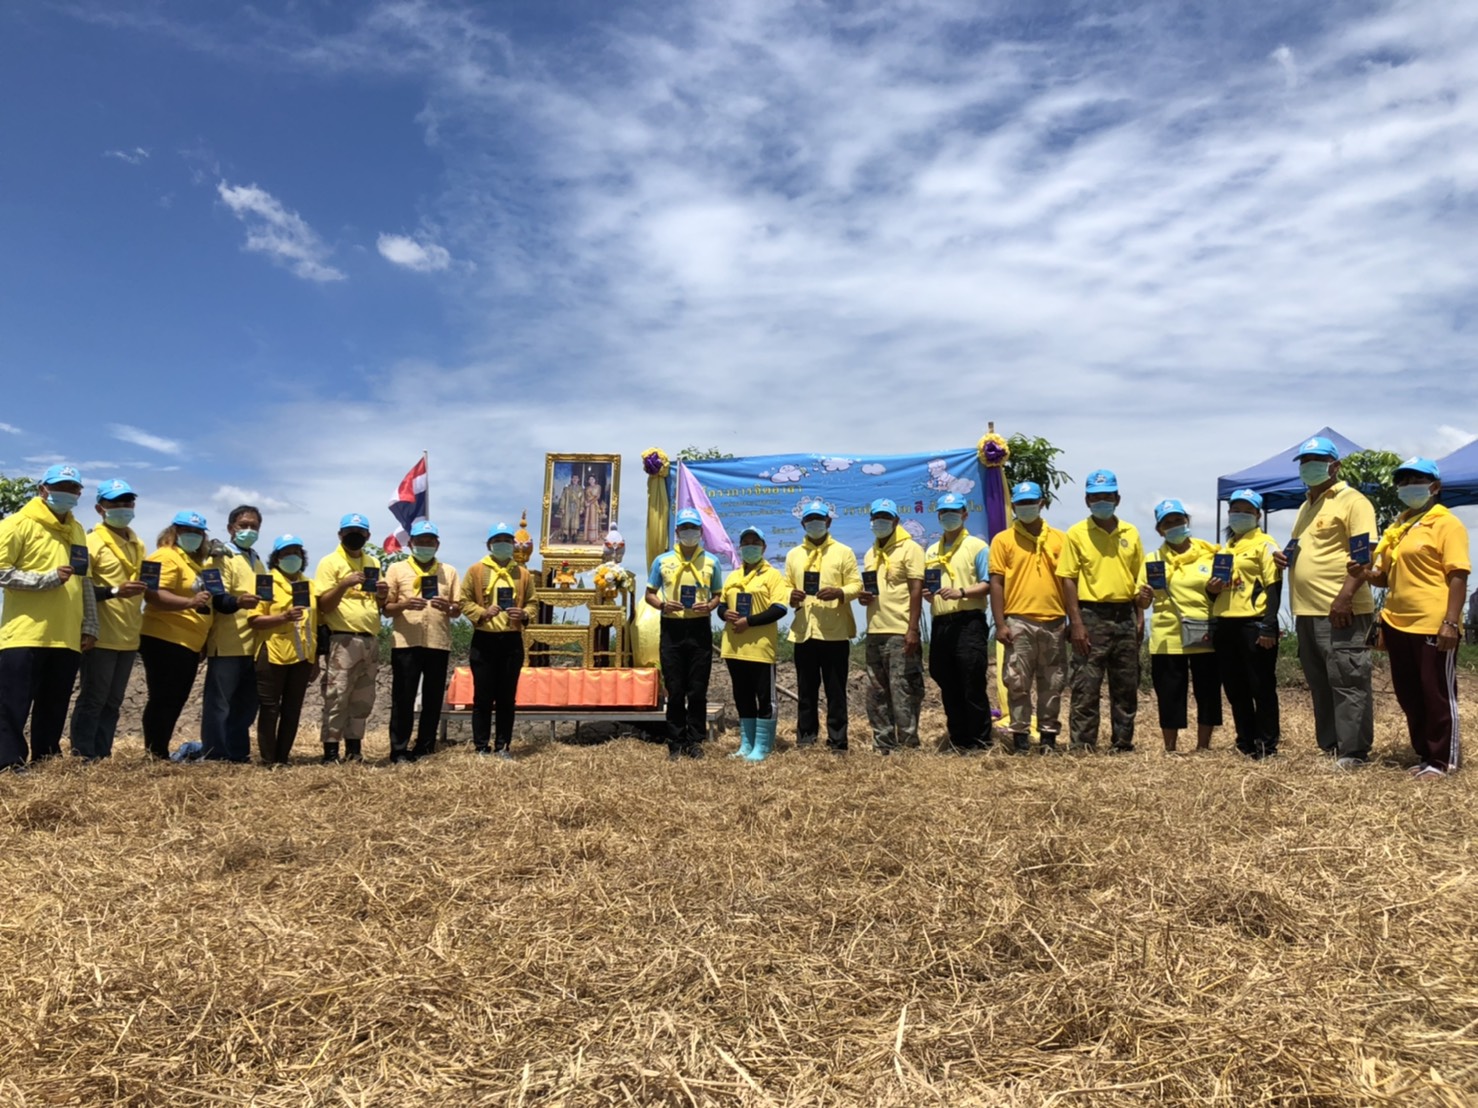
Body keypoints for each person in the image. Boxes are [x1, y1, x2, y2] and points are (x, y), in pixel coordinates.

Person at [1352, 458, 1470, 778]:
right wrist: (1364, 573)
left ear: (1435, 486)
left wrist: (1450, 621)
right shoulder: (1399, 526)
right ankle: (1425, 754)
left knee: (1436, 692)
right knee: (1409, 693)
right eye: (1403, 482)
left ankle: (1443, 760)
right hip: (1397, 621)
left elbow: (1458, 575)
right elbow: (1383, 577)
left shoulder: (1446, 524)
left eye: (1416, 480)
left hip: (1433, 620)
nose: (1408, 487)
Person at [1281, 436, 1377, 768]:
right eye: (1305, 461)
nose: (1309, 467)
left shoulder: (1353, 501)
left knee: (1348, 679)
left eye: (1317, 461)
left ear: (1335, 466)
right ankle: (1332, 746)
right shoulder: (1306, 506)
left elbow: (1365, 553)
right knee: (1321, 683)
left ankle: (1354, 751)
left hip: (1339, 608)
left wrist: (1345, 597)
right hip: (1306, 611)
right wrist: (1286, 558)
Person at [0, 464, 99, 771]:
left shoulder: (78, 529)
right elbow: (2, 571)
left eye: (73, 488)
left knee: (54, 704)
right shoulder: (17, 524)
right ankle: (8, 763)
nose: (67, 493)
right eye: (60, 487)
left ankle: (46, 762)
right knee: (13, 704)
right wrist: (46, 579)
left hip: (66, 634)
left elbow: (84, 580)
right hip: (25, 633)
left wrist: (90, 623)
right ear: (42, 490)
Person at [1056, 469, 1151, 753]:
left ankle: (1122, 743)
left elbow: (1139, 579)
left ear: (1117, 499)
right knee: (1086, 684)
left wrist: (1140, 617)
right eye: (1096, 497)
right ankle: (1083, 745)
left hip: (1125, 614)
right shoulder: (1076, 533)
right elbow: (1068, 579)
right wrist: (1076, 623)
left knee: (1126, 685)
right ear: (1087, 500)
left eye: (1107, 496)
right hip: (1090, 615)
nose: (1102, 502)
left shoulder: (1131, 532)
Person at [137, 511, 225, 760]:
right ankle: (155, 752)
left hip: (188, 642)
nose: (193, 536)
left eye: (198, 532)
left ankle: (160, 750)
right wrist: (189, 602)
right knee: (163, 697)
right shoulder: (164, 556)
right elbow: (153, 594)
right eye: (188, 531)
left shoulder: (194, 563)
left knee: (175, 698)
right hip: (165, 638)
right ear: (174, 531)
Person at [989, 481, 1068, 754]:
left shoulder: (1060, 539)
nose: (1026, 508)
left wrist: (1072, 620)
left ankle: (1048, 738)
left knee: (1053, 683)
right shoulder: (1003, 540)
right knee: (1017, 682)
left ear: (1041, 503)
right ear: (1014, 506)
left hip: (1055, 621)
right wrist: (1000, 623)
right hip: (1018, 620)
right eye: (1021, 504)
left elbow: (1069, 581)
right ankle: (1020, 737)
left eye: (1030, 502)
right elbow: (996, 582)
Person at [70, 478, 146, 761]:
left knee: (113, 702)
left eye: (127, 502)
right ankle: (83, 755)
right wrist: (115, 591)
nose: (123, 507)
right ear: (100, 508)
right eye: (115, 503)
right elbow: (80, 587)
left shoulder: (138, 543)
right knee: (93, 699)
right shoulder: (91, 541)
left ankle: (102, 756)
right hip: (101, 634)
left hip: (129, 634)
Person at [1210, 489, 1283, 760]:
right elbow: (1216, 592)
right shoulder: (1225, 548)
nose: (1239, 515)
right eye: (1235, 510)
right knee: (1235, 688)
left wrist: (1269, 625)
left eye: (1246, 511)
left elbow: (1274, 586)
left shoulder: (1265, 544)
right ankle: (1245, 742)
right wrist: (1211, 589)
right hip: (1225, 623)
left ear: (1257, 515)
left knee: (1261, 687)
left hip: (1254, 623)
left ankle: (1267, 746)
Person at [784, 500, 862, 753]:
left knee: (835, 691)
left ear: (828, 521)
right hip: (804, 631)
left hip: (835, 632)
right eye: (810, 519)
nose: (814, 523)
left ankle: (838, 742)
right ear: (802, 523)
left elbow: (856, 585)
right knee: (806, 690)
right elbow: (785, 586)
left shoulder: (844, 552)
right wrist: (790, 595)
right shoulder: (794, 555)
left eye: (819, 519)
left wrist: (839, 592)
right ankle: (806, 739)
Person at [645, 507, 722, 760]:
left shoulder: (712, 562)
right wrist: (663, 605)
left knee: (697, 689)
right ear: (677, 531)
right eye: (685, 528)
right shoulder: (662, 560)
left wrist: (710, 606)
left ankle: (695, 741)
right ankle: (675, 742)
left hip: (699, 629)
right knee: (675, 689)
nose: (690, 532)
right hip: (672, 629)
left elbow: (717, 595)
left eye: (694, 528)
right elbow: (649, 594)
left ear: (701, 531)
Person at [1145, 499, 1221, 754]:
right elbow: (1141, 600)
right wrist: (1143, 597)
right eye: (1168, 523)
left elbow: (1222, 595)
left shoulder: (1210, 554)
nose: (1174, 525)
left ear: (1187, 521)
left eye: (1178, 520)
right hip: (1167, 636)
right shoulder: (1152, 559)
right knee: (1169, 694)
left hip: (1204, 632)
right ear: (1159, 530)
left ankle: (1203, 746)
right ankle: (1170, 748)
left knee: (1208, 692)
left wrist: (1215, 590)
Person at [314, 513, 388, 764]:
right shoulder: (330, 562)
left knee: (362, 699)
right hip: (342, 639)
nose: (355, 536)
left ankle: (354, 751)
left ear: (368, 535)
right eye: (349, 532)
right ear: (340, 535)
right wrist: (344, 584)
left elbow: (378, 604)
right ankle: (330, 752)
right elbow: (324, 605)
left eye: (360, 532)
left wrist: (382, 594)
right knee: (337, 696)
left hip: (370, 639)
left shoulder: (373, 562)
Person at [383, 521, 460, 764]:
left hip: (438, 642)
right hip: (406, 642)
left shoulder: (449, 571)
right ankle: (399, 749)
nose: (425, 545)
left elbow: (457, 609)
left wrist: (447, 607)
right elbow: (386, 609)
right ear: (410, 544)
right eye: (420, 541)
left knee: (433, 698)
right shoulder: (397, 569)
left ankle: (425, 747)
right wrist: (405, 605)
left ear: (437, 544)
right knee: (403, 698)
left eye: (429, 541)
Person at [923, 492, 993, 752]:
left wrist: (961, 592)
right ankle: (958, 739)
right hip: (941, 622)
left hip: (968, 621)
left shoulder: (977, 546)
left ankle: (980, 741)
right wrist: (929, 595)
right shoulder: (932, 550)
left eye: (954, 512)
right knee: (945, 678)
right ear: (938, 516)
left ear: (965, 514)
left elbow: (988, 584)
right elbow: (930, 583)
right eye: (944, 513)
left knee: (972, 680)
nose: (949, 517)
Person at [460, 522, 534, 758]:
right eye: (498, 540)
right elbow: (464, 600)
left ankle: (503, 745)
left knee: (506, 697)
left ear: (513, 544)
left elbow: (533, 602)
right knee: (482, 696)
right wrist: (482, 612)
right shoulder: (476, 570)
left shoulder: (523, 573)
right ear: (490, 544)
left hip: (511, 640)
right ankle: (481, 746)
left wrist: (524, 614)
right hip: (484, 639)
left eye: (507, 540)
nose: (503, 544)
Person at [717, 526, 790, 762]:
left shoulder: (772, 575)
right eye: (746, 542)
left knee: (765, 698)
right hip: (734, 647)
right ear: (740, 547)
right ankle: (746, 744)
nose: (750, 546)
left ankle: (762, 746)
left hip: (760, 648)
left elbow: (779, 608)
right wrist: (724, 613)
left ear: (763, 547)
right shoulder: (733, 576)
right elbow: (721, 605)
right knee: (742, 696)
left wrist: (749, 621)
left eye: (755, 543)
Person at [199, 504, 265, 762]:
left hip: (254, 644)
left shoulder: (257, 561)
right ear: (230, 528)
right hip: (227, 642)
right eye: (243, 525)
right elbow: (217, 598)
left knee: (246, 705)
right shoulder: (220, 557)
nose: (249, 530)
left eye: (254, 526)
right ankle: (215, 754)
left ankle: (238, 753)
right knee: (219, 704)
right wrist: (238, 602)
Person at [859, 498, 925, 754]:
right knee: (876, 692)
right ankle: (883, 743)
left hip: (901, 631)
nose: (881, 522)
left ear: (896, 521)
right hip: (875, 630)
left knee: (904, 690)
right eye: (877, 517)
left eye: (886, 517)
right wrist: (864, 598)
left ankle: (908, 744)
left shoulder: (911, 549)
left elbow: (916, 590)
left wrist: (913, 629)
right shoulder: (870, 553)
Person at [249, 535, 318, 765]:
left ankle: (283, 757)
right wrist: (283, 617)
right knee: (270, 708)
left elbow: (315, 622)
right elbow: (254, 620)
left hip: (303, 655)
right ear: (277, 558)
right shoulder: (266, 582)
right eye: (287, 553)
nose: (292, 557)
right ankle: (269, 759)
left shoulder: (309, 585)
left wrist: (316, 659)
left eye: (296, 553)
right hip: (273, 653)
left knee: (292, 709)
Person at [583, 474, 605, 544]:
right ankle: (587, 538)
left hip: (594, 505)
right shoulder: (587, 488)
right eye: (590, 479)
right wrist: (585, 502)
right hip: (588, 506)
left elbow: (597, 497)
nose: (591, 480)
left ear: (595, 480)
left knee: (593, 520)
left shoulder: (598, 487)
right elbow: (585, 497)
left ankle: (593, 538)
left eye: (592, 479)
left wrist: (590, 503)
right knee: (588, 520)